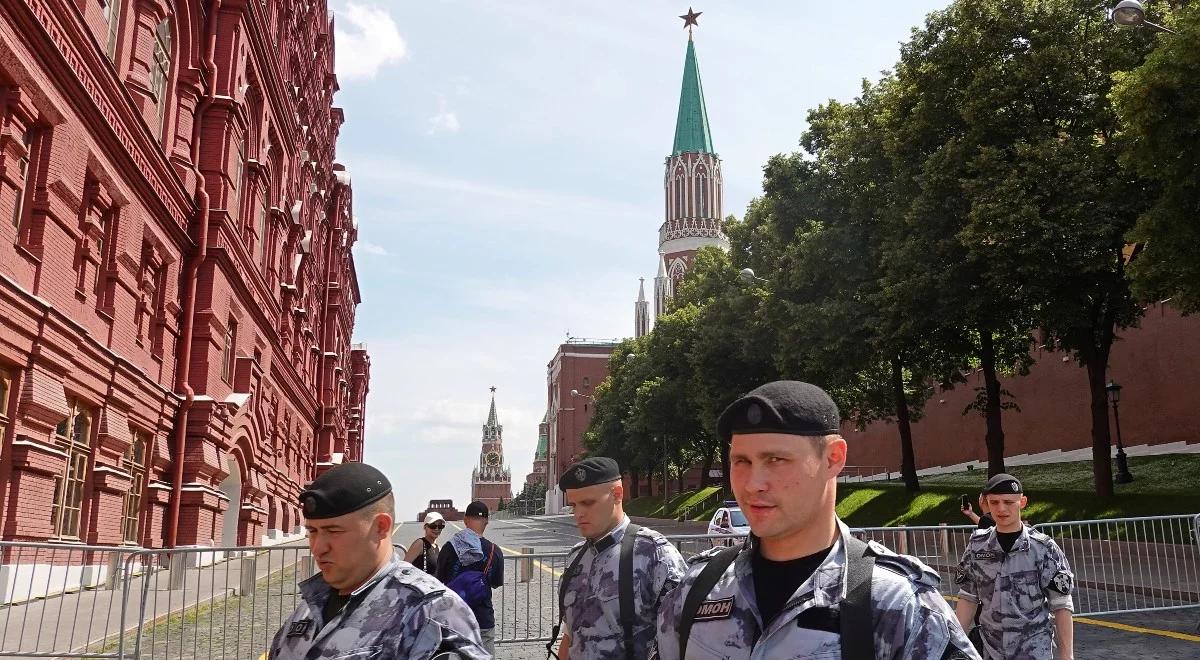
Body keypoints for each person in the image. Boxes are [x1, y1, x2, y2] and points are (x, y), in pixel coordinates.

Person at [655, 380, 979, 659]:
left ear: (833, 458)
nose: (753, 483)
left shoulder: (896, 604)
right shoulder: (697, 589)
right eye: (741, 461)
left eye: (776, 459)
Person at [269, 462, 487, 659]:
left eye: (333, 531)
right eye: (313, 532)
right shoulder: (309, 606)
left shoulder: (431, 613)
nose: (318, 547)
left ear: (380, 527)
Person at [553, 457, 686, 660]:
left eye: (587, 503)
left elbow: (682, 638)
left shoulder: (654, 555)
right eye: (573, 505)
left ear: (617, 494)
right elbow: (571, 637)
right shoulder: (575, 559)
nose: (578, 513)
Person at [955, 474, 1075, 660]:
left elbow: (1061, 605)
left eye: (1008, 502)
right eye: (994, 502)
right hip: (990, 650)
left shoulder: (1043, 549)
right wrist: (955, 644)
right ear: (986, 503)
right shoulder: (977, 547)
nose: (1001, 508)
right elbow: (968, 598)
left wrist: (1067, 656)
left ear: (1023, 502)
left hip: (1034, 650)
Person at [437, 500, 504, 655]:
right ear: (486, 521)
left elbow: (440, 579)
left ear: (465, 520)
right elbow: (496, 583)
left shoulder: (449, 547)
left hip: (454, 619)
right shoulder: (495, 551)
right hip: (483, 618)